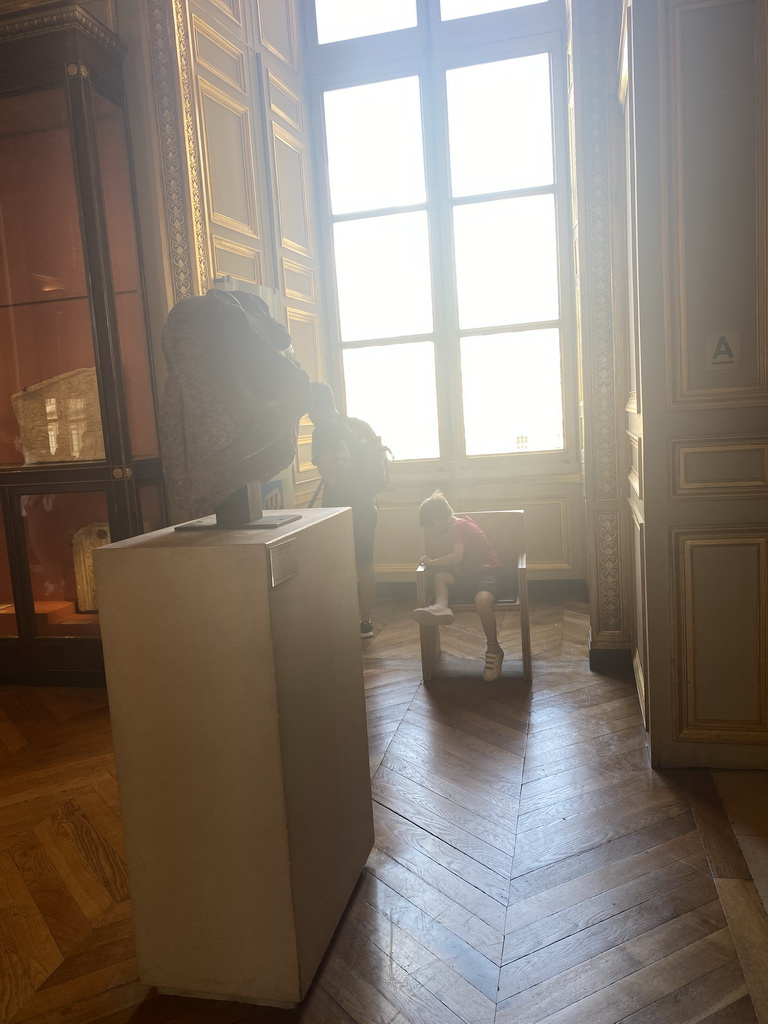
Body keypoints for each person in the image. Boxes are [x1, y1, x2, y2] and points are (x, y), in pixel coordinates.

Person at [412, 491, 511, 682]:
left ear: (435, 521)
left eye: (430, 527)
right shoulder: (458, 525)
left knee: (482, 601)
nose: (432, 532)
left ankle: (493, 649)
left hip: (490, 572)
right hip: (470, 575)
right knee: (441, 577)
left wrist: (431, 563)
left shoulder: (458, 527)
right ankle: (441, 607)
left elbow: (456, 556)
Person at [308, 381, 379, 639]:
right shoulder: (359, 424)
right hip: (367, 504)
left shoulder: (322, 432)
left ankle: (341, 619)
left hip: (339, 510)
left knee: (339, 565)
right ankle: (366, 622)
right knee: (365, 563)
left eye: (309, 410)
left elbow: (332, 479)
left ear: (315, 406)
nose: (308, 415)